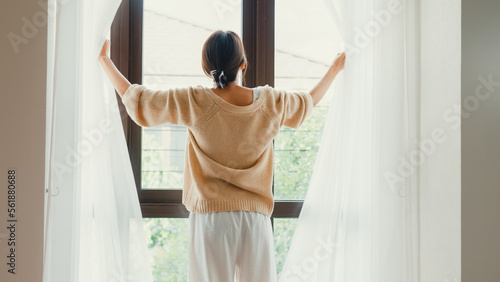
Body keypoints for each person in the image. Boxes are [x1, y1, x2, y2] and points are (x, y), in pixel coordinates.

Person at [98, 30, 345, 282]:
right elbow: (307, 103)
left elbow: (140, 102)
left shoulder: (195, 101)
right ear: (243, 64)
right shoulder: (270, 102)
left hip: (211, 221)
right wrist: (334, 70)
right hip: (255, 220)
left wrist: (105, 61)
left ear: (207, 68)